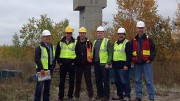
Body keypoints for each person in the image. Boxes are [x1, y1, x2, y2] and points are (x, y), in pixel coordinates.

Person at [132, 21, 156, 101]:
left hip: (146, 63)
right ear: (137, 28)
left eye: (142, 28)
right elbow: (131, 50)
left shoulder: (149, 39)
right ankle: (138, 96)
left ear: (144, 28)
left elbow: (153, 50)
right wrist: (132, 59)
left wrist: (150, 59)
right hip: (137, 63)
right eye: (139, 28)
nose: (140, 30)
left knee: (149, 81)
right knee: (137, 80)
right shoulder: (134, 40)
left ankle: (151, 97)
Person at [55, 26, 77, 101]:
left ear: (71, 34)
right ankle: (60, 96)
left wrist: (74, 62)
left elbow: (78, 53)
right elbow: (57, 53)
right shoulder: (60, 42)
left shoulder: (75, 42)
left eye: (70, 33)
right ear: (65, 33)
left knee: (71, 81)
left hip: (72, 65)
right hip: (63, 64)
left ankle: (70, 96)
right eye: (67, 33)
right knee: (62, 81)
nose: (68, 35)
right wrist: (59, 62)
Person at [34, 30, 56, 101]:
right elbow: (37, 59)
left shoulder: (51, 46)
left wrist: (53, 66)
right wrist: (41, 69)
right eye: (46, 37)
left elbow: (53, 57)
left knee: (47, 87)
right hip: (42, 70)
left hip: (50, 69)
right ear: (43, 37)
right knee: (39, 87)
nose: (47, 38)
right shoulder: (39, 47)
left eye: (49, 36)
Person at [92, 26, 112, 101]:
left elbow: (110, 53)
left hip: (104, 64)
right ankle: (99, 94)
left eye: (101, 33)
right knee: (98, 80)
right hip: (96, 63)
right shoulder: (95, 42)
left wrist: (108, 62)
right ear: (97, 33)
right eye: (98, 33)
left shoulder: (107, 41)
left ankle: (106, 96)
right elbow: (93, 53)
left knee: (105, 80)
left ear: (103, 33)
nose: (100, 34)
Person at [112, 27, 132, 101]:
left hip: (123, 66)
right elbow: (114, 53)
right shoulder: (115, 43)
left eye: (122, 34)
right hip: (116, 66)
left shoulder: (127, 43)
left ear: (124, 35)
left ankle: (127, 96)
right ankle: (120, 95)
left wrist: (126, 65)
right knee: (117, 82)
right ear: (117, 35)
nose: (120, 35)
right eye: (119, 34)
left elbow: (129, 55)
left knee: (125, 81)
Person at [74, 27, 94, 100]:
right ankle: (76, 96)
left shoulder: (89, 42)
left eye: (83, 33)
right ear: (79, 33)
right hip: (78, 64)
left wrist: (92, 62)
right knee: (78, 80)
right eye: (81, 33)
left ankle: (91, 96)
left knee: (88, 80)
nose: (82, 34)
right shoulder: (75, 42)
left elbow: (92, 53)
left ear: (85, 34)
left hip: (87, 64)